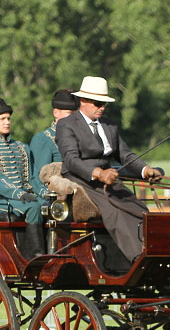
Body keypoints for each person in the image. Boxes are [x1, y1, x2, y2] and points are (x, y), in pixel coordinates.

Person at [56, 76, 162, 265]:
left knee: (140, 209)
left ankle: (153, 251)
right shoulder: (67, 124)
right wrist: (97, 173)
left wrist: (145, 170)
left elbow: (125, 155)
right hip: (82, 179)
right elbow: (71, 160)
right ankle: (137, 259)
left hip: (109, 179)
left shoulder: (109, 125)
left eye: (104, 103)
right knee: (114, 212)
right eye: (98, 103)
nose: (102, 107)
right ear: (83, 101)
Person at [0, 96, 49, 259]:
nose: (7, 122)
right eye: (2, 119)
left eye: (8, 118)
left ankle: (54, 251)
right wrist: (18, 194)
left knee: (54, 208)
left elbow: (33, 177)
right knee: (34, 208)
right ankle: (36, 256)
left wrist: (46, 194)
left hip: (26, 197)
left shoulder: (22, 147)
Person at [29, 88, 79, 174]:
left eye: (77, 114)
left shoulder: (82, 137)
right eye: (70, 113)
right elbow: (40, 178)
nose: (74, 118)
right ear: (56, 112)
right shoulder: (42, 139)